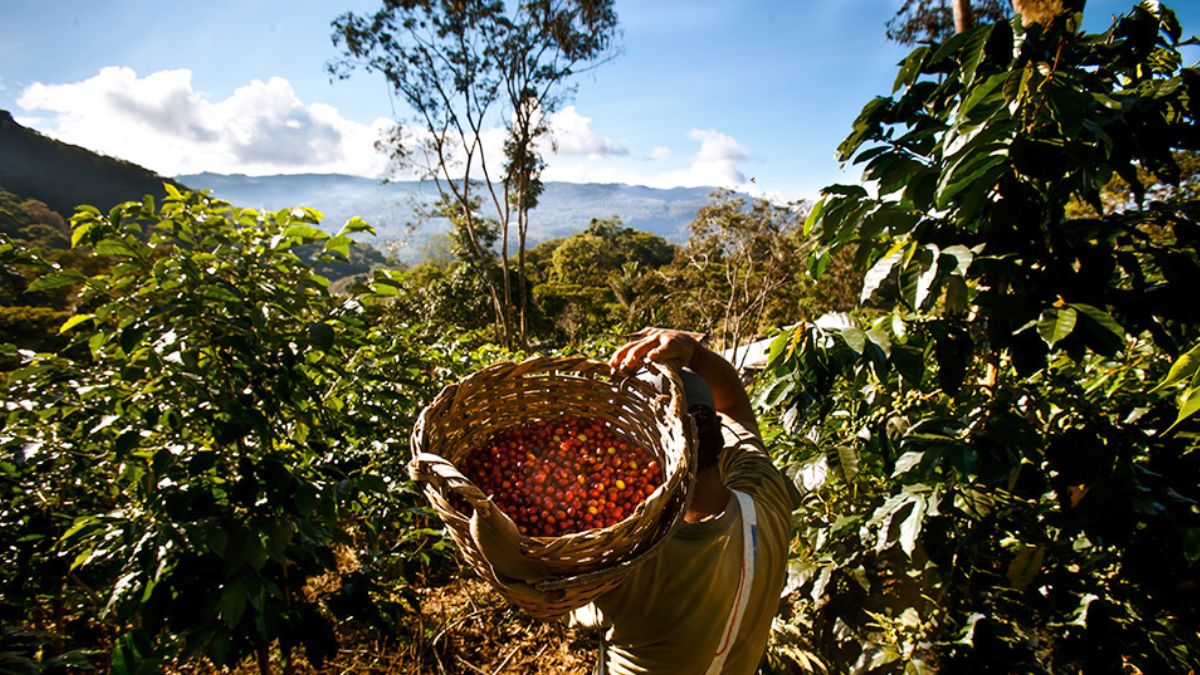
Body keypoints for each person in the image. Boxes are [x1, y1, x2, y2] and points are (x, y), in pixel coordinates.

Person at [571, 327, 799, 674]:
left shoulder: (630, 565)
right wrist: (694, 353)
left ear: (646, 462)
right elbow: (735, 408)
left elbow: (545, 590)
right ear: (715, 432)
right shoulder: (765, 493)